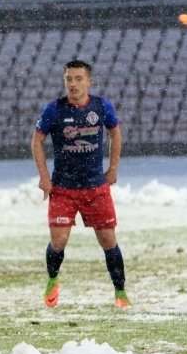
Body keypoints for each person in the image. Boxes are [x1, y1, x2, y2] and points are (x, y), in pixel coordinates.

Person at [31, 59, 130, 309]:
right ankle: (53, 279)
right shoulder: (54, 109)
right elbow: (36, 142)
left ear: (89, 81)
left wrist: (113, 168)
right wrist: (44, 177)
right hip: (63, 188)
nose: (72, 84)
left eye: (78, 78)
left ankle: (121, 292)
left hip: (95, 187)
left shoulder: (101, 106)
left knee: (108, 240)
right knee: (58, 242)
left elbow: (115, 133)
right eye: (68, 79)